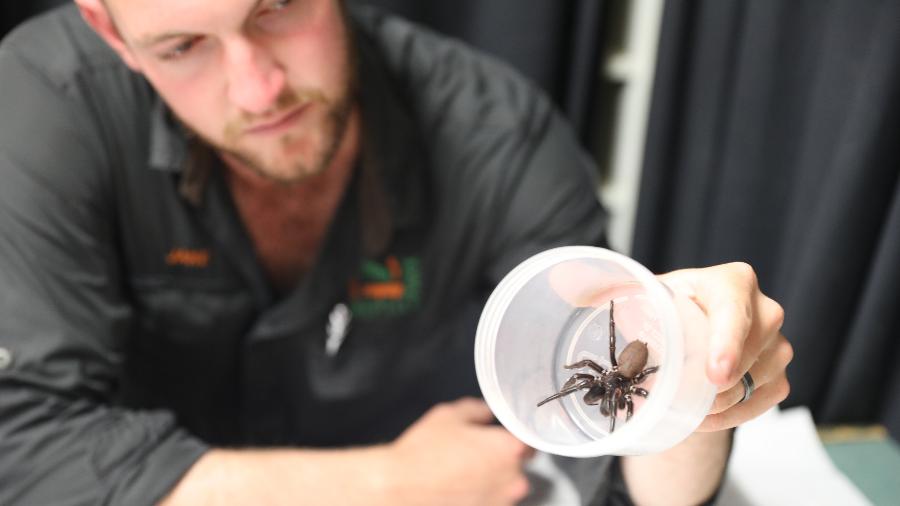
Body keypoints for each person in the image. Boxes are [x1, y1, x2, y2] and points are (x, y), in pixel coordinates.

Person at [0, 0, 792, 504]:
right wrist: (393, 483)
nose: (257, 90)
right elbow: (22, 448)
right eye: (181, 47)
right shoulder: (44, 110)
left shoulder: (496, 135)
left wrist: (693, 384)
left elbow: (628, 482)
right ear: (111, 33)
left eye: (277, 9)